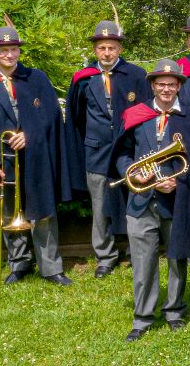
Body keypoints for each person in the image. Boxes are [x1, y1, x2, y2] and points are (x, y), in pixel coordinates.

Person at [0, 24, 72, 286]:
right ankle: (18, 264)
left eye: (14, 49)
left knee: (43, 212)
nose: (9, 55)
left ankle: (51, 267)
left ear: (19, 51)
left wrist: (29, 134)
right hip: (4, 161)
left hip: (37, 156)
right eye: (4, 50)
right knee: (9, 212)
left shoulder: (37, 78)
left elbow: (52, 116)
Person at [113, 58, 190, 340]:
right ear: (153, 85)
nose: (166, 89)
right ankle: (142, 317)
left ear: (179, 86)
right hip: (141, 200)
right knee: (143, 262)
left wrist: (177, 182)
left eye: (171, 84)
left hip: (175, 200)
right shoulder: (135, 115)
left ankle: (175, 310)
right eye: (160, 84)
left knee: (177, 257)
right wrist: (134, 174)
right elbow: (121, 155)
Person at [64, 18, 150, 278]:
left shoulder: (135, 75)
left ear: (120, 49)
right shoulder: (83, 79)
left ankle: (135, 251)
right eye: (102, 48)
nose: (107, 52)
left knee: (134, 201)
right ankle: (105, 256)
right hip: (97, 152)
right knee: (100, 206)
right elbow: (76, 118)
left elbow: (146, 112)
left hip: (129, 151)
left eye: (112, 47)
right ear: (95, 50)